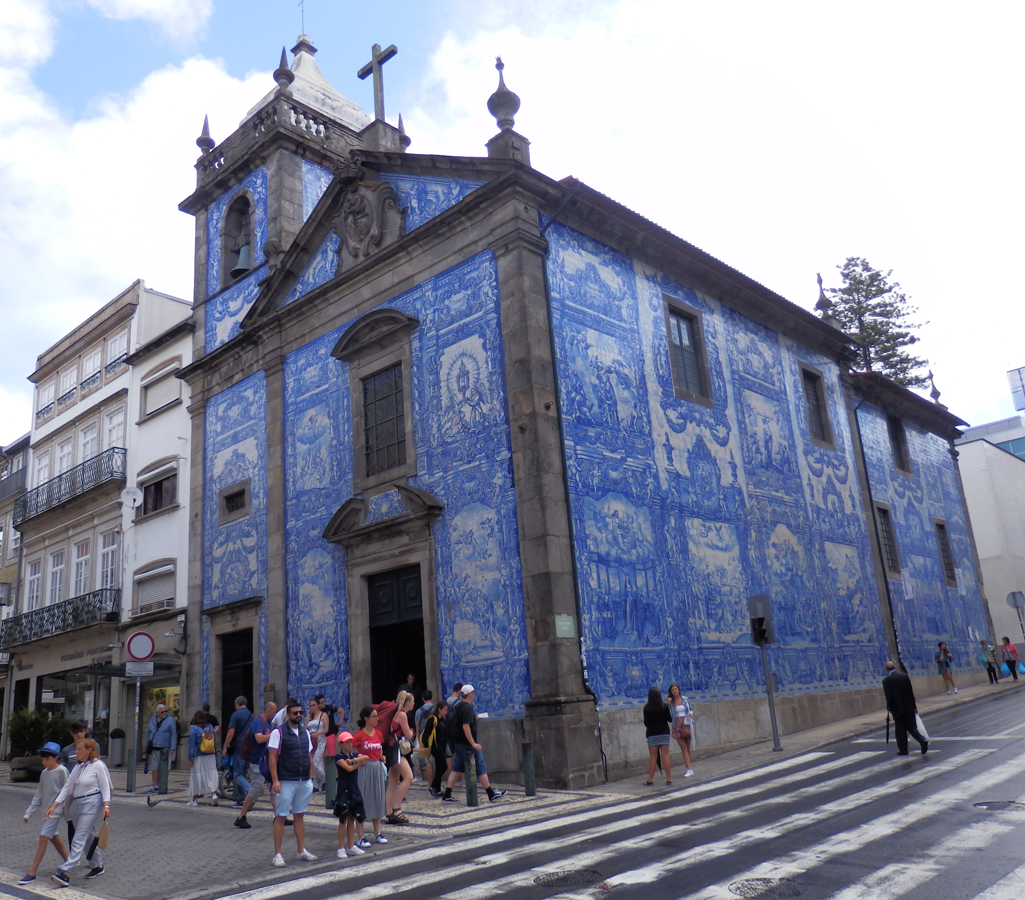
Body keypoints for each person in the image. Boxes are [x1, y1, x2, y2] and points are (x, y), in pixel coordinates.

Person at [47, 739, 112, 886]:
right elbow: (68, 786)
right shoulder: (78, 767)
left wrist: (106, 805)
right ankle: (97, 864)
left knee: (79, 836)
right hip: (76, 803)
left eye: (79, 749)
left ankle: (66, 870)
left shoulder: (98, 766)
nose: (76, 752)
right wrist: (56, 804)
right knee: (87, 835)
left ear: (89, 750)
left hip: (92, 801)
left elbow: (105, 786)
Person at [267, 699, 318, 868]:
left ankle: (301, 850)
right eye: (295, 713)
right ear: (287, 715)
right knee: (281, 815)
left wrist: (310, 778)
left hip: (303, 780)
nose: (298, 715)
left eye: (300, 713)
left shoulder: (305, 733)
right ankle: (278, 854)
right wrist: (275, 780)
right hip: (286, 780)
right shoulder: (278, 733)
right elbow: (272, 758)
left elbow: (309, 755)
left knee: (299, 814)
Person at [442, 685, 507, 803]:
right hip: (467, 744)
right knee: (480, 767)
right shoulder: (467, 708)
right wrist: (473, 743)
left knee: (456, 768)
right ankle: (491, 794)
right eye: (473, 692)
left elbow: (464, 722)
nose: (474, 694)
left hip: (459, 743)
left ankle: (447, 794)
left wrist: (474, 719)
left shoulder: (459, 705)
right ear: (470, 694)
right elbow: (465, 726)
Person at [18, 742, 69, 885]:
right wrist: (29, 813)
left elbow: (67, 789)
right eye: (43, 759)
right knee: (54, 838)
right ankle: (70, 861)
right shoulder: (44, 773)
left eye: (47, 758)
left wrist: (63, 807)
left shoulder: (62, 771)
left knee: (43, 838)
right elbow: (39, 794)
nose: (44, 761)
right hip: (45, 812)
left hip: (56, 811)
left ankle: (32, 872)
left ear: (56, 757)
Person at [234, 701, 278, 829]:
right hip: (257, 761)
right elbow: (259, 738)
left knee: (273, 788)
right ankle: (241, 816)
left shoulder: (268, 724)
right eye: (274, 712)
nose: (275, 714)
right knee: (256, 788)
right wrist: (273, 735)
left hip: (266, 761)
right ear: (268, 710)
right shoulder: (258, 722)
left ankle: (279, 816)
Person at [351, 706, 388, 847]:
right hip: (364, 769)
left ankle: (377, 833)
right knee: (363, 800)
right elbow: (347, 748)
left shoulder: (378, 734)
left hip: (376, 768)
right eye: (374, 716)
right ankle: (360, 836)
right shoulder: (359, 735)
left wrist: (381, 756)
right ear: (366, 718)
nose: (377, 719)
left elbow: (379, 749)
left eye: (377, 716)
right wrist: (357, 757)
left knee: (378, 799)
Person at [333, 731, 368, 858]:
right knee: (343, 818)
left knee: (352, 817)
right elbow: (348, 768)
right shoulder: (338, 757)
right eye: (346, 742)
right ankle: (341, 847)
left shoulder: (352, 755)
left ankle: (351, 845)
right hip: (344, 789)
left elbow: (366, 757)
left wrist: (354, 760)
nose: (349, 744)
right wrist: (358, 763)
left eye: (350, 742)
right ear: (341, 744)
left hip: (353, 788)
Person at [882, 661, 928, 756]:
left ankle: (903, 750)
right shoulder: (904, 676)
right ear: (894, 667)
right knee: (911, 727)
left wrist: (889, 708)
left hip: (898, 709)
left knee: (900, 730)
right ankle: (922, 740)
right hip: (909, 707)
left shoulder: (886, 680)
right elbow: (910, 693)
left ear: (886, 669)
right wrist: (914, 707)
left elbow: (889, 696)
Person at [385, 690, 415, 824]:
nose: (414, 703)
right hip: (397, 751)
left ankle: (388, 813)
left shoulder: (397, 713)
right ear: (408, 703)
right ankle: (397, 808)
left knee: (393, 782)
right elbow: (408, 735)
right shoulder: (402, 715)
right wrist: (412, 731)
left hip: (392, 749)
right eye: (413, 701)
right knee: (408, 777)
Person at [59, 720, 87, 848]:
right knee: (71, 823)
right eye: (76, 732)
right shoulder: (67, 750)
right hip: (71, 790)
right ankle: (73, 854)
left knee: (87, 824)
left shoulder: (91, 746)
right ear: (72, 733)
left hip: (86, 789)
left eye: (81, 731)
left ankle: (91, 854)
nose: (79, 735)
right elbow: (62, 770)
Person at [222, 696, 253, 804]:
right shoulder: (251, 715)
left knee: (237, 774)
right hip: (249, 747)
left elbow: (231, 732)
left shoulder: (236, 715)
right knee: (243, 773)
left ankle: (251, 791)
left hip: (239, 747)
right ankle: (241, 799)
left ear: (237, 704)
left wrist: (225, 746)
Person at [187, 709, 219, 806]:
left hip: (199, 756)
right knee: (211, 774)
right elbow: (214, 740)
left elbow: (191, 745)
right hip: (210, 755)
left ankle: (194, 800)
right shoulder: (210, 727)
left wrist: (190, 757)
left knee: (196, 776)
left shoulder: (194, 729)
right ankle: (214, 794)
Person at [144, 703, 178, 792]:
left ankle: (163, 784)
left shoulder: (170, 720)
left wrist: (173, 748)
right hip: (154, 747)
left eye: (166, 711)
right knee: (154, 767)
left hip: (165, 748)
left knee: (165, 767)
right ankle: (155, 785)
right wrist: (146, 748)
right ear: (157, 713)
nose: (164, 713)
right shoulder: (152, 720)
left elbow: (174, 734)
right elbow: (148, 734)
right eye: (162, 712)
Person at [643, 686, 672, 785]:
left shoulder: (646, 708)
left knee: (653, 757)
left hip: (652, 734)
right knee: (665, 755)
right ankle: (668, 779)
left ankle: (650, 779)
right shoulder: (664, 706)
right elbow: (670, 719)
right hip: (664, 732)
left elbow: (646, 723)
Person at [666, 683, 695, 778]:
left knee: (687, 748)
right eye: (672, 690)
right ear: (671, 692)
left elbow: (690, 709)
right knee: (683, 748)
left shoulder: (685, 699)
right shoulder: (671, 703)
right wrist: (667, 703)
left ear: (679, 690)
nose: (674, 691)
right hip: (677, 725)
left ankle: (688, 768)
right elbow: (666, 712)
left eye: (676, 689)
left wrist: (690, 713)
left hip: (686, 723)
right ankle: (689, 769)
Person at [423, 698, 450, 798]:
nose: (446, 712)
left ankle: (437, 789)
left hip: (441, 746)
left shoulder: (442, 720)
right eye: (445, 710)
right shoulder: (432, 719)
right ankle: (432, 786)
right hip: (435, 746)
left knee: (439, 766)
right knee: (444, 766)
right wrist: (425, 745)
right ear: (439, 709)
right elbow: (426, 733)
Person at [305, 697, 329, 793]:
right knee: (313, 762)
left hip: (320, 740)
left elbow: (326, 729)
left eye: (314, 705)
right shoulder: (309, 717)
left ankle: (325, 780)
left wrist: (317, 734)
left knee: (316, 760)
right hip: (311, 741)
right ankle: (317, 783)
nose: (312, 707)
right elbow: (305, 728)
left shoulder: (323, 715)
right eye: (310, 705)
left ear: (318, 705)